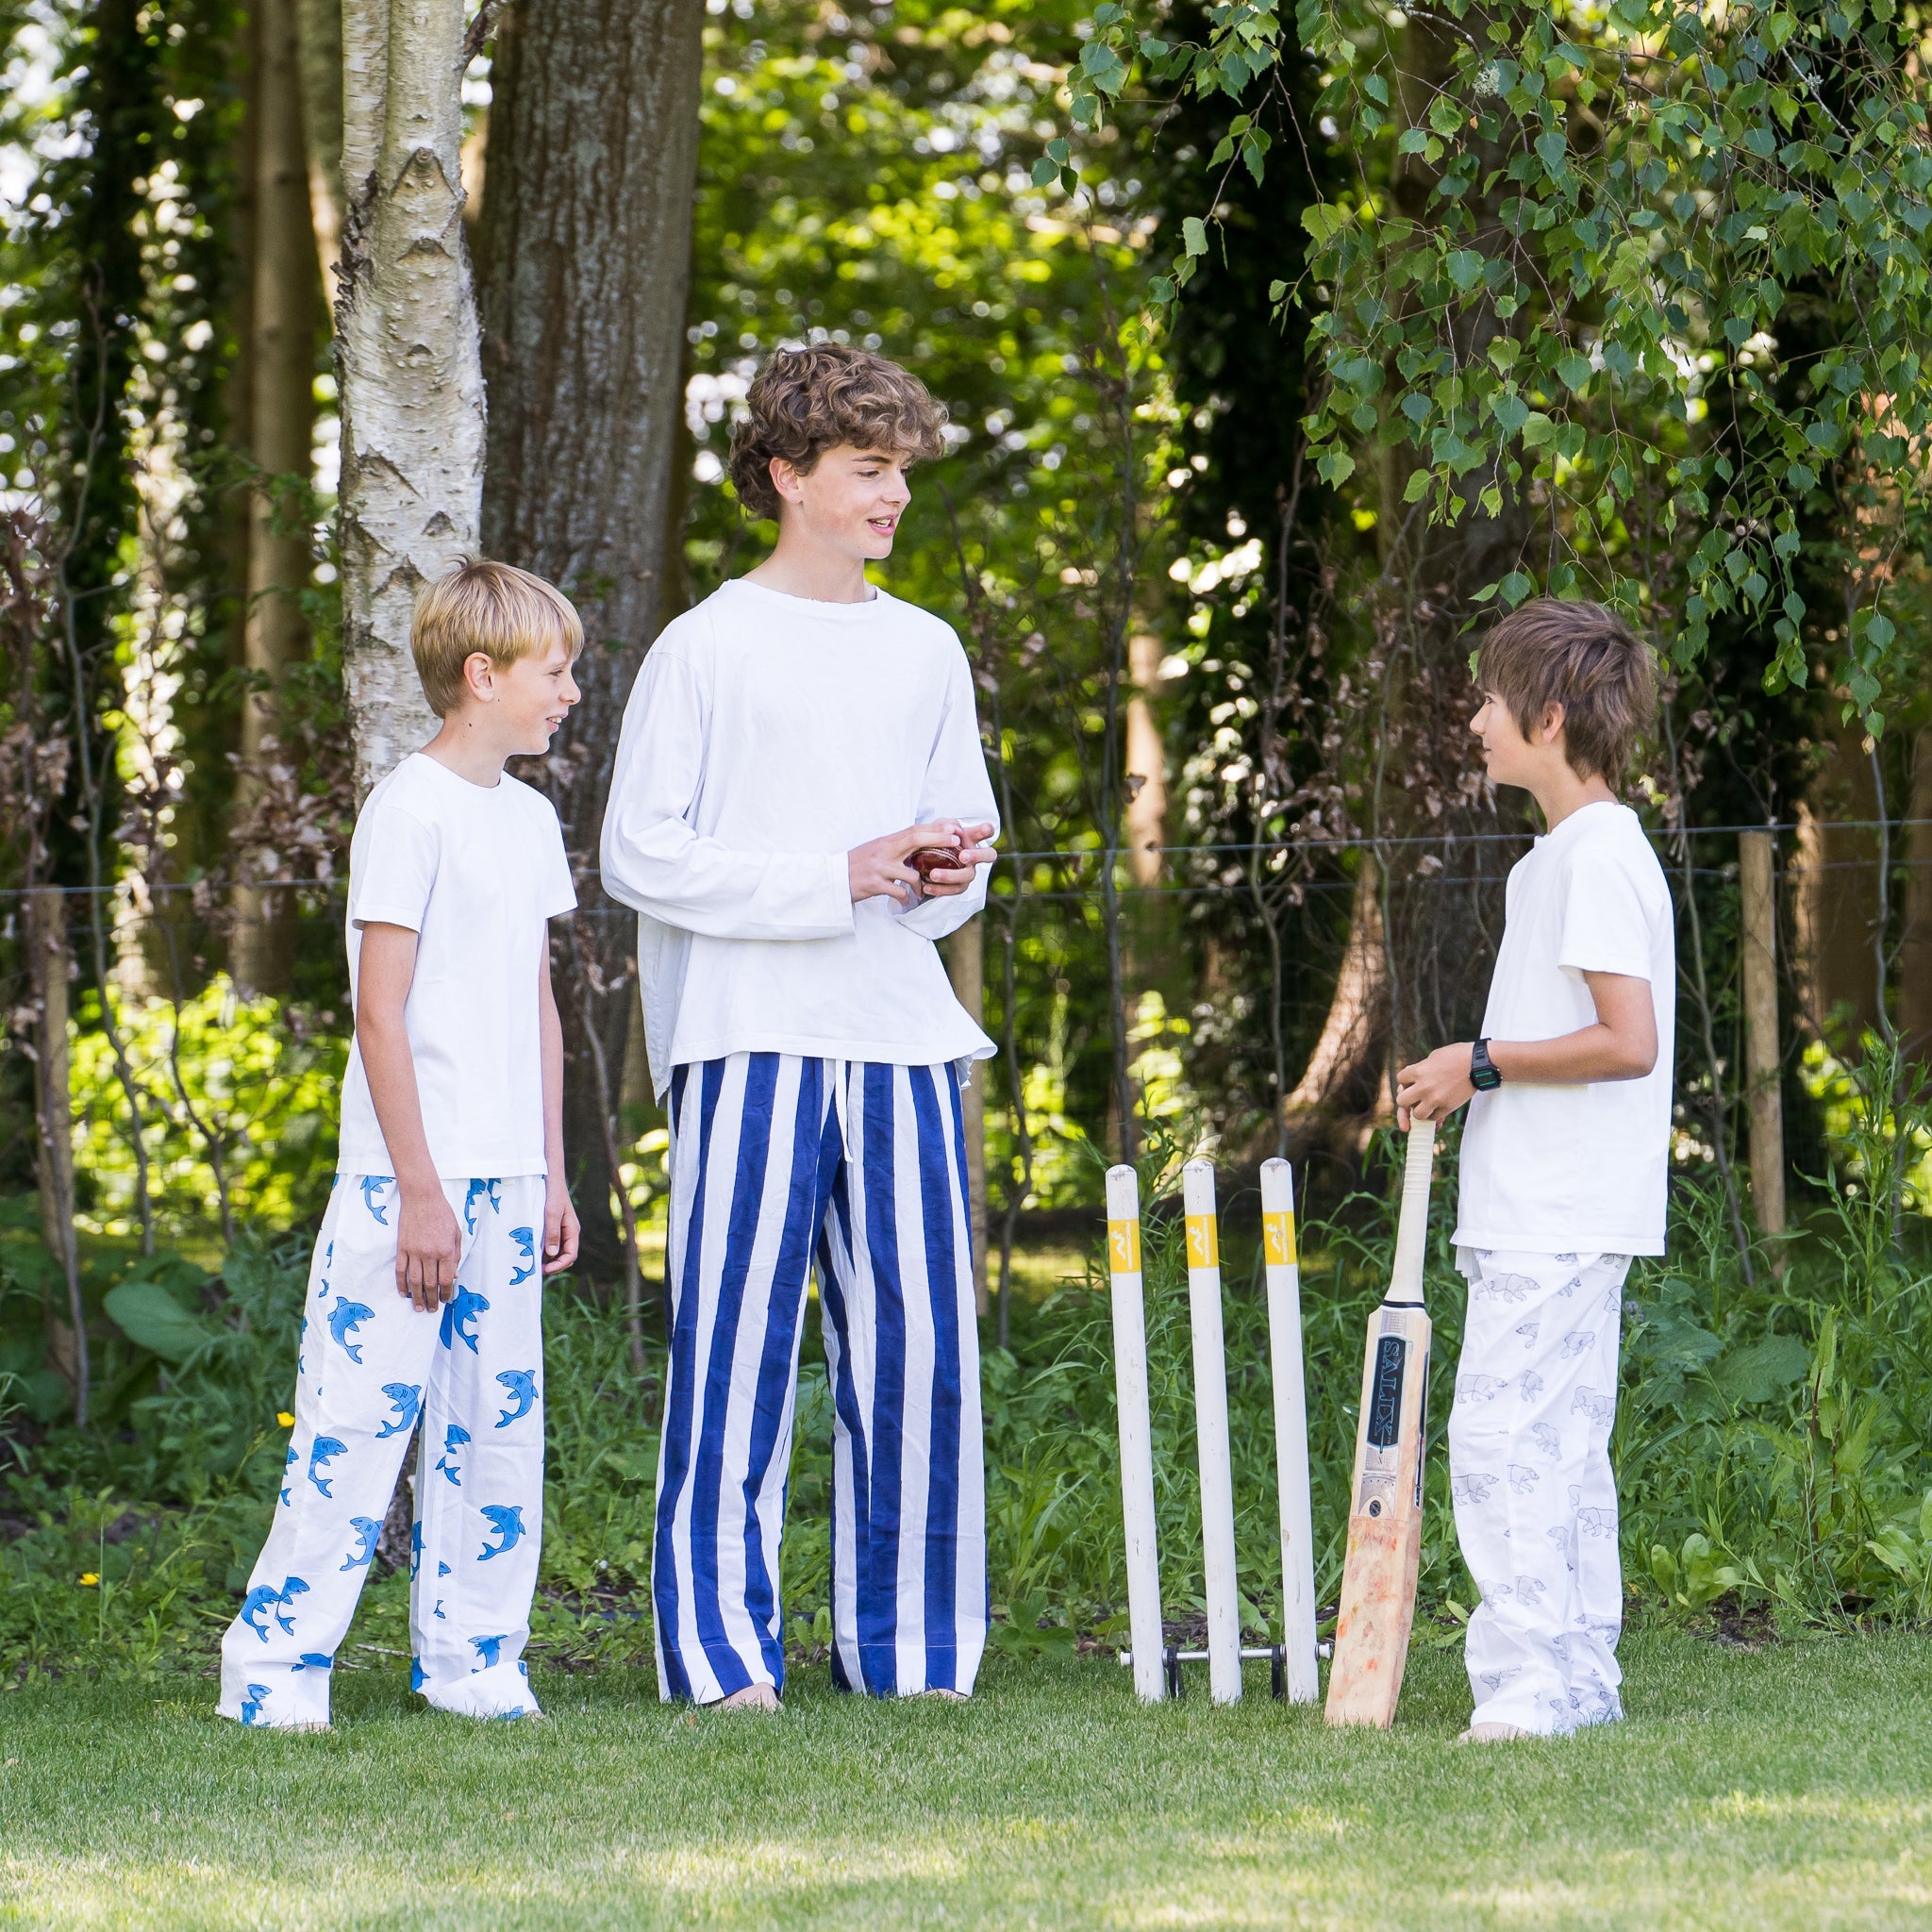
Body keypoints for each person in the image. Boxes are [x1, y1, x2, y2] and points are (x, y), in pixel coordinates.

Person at [601, 342, 997, 1709]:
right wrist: (833, 876)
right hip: (746, 1040)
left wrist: (942, 874)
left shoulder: (927, 648)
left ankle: (916, 1658)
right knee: (736, 1351)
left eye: (900, 471)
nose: (894, 496)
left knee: (922, 1355)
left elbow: (949, 872)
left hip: (903, 1040)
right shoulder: (704, 646)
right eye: (867, 471)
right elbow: (636, 856)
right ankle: (721, 1662)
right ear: (787, 477)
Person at [218, 559, 584, 1729]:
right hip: (403, 1182)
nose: (571, 689)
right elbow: (381, 1011)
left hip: (511, 1179)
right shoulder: (407, 809)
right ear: (482, 676)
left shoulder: (529, 817)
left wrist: (553, 1173)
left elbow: (537, 1006)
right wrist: (420, 1192)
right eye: (555, 669)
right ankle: (273, 1671)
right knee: (357, 1424)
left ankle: (474, 1661)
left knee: (498, 1433)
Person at [1394, 597, 1671, 1743]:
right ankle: (1574, 1679)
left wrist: (1478, 1064)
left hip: (1554, 1216)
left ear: (1548, 718)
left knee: (1504, 1442)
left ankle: (1523, 1692)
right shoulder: (1561, 857)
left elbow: (1628, 1040)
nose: (1472, 721)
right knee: (1555, 1445)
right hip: (1549, 1204)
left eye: (1489, 703)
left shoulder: (1596, 853)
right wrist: (1480, 1079)